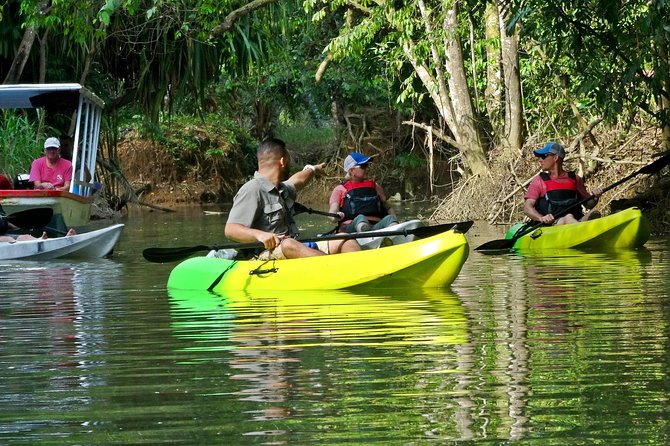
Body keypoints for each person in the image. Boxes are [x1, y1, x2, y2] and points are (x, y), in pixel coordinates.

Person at [224, 138, 361, 260]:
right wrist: (261, 235)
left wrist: (313, 169)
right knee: (289, 244)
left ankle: (358, 272)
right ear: (283, 161)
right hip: (265, 255)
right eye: (289, 160)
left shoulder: (282, 189)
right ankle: (334, 269)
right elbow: (231, 229)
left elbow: (298, 180)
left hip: (295, 248)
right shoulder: (251, 189)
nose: (290, 164)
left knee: (344, 238)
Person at [524, 142, 603, 225]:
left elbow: (588, 205)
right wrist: (541, 218)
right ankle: (579, 228)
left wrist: (595, 197)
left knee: (594, 212)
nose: (540, 160)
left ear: (555, 158)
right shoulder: (539, 181)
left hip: (575, 221)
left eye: (544, 156)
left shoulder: (575, 179)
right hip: (552, 225)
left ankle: (580, 228)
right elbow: (527, 208)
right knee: (568, 218)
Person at [328, 151, 398, 233]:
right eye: (363, 166)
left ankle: (397, 233)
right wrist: (335, 216)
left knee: (390, 218)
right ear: (351, 171)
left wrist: (395, 219)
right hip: (352, 228)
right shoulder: (340, 189)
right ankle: (365, 233)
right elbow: (332, 213)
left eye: (367, 166)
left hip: (376, 227)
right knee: (360, 218)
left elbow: (388, 207)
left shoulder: (375, 186)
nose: (367, 169)